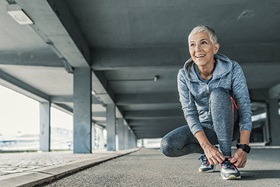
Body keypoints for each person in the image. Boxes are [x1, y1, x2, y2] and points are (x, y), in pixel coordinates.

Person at [160, 25, 252, 180]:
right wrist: (207, 147)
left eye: (203, 43)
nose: (197, 49)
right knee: (168, 146)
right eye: (192, 44)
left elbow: (244, 106)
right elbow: (189, 111)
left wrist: (244, 147)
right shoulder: (184, 75)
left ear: (215, 48)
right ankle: (210, 156)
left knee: (218, 94)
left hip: (230, 126)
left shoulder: (233, 68)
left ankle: (227, 161)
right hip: (206, 129)